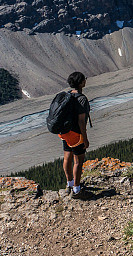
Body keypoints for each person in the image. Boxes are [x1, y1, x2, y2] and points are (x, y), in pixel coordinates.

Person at [59, 71, 92, 200]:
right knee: (78, 161)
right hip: (76, 134)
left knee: (67, 158)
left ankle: (69, 184)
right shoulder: (81, 99)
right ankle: (77, 190)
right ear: (81, 83)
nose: (85, 81)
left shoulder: (67, 95)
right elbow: (81, 121)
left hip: (65, 132)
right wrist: (85, 138)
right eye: (84, 79)